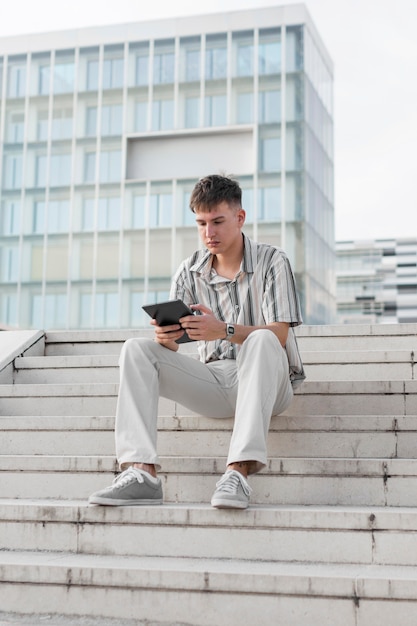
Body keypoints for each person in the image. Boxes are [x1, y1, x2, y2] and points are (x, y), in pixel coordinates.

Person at [89, 174, 305, 509]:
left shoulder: (273, 261)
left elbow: (279, 334)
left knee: (261, 338)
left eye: (218, 221)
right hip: (215, 381)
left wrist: (224, 330)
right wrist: (167, 337)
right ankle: (141, 472)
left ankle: (237, 474)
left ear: (239, 217)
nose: (209, 233)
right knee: (136, 349)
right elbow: (172, 351)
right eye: (201, 223)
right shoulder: (189, 270)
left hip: (270, 382)